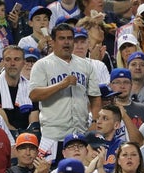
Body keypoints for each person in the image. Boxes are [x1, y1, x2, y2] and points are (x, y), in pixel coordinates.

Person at [29, 23, 101, 165]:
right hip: (53, 135)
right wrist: (62, 84)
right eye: (62, 38)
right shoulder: (42, 65)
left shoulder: (86, 65)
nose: (66, 42)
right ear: (53, 42)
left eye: (69, 38)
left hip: (80, 134)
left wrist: (94, 121)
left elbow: (95, 97)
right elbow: (34, 95)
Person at [0, 45, 39, 134]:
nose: (12, 63)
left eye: (17, 59)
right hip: (3, 134)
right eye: (8, 59)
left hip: (27, 136)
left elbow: (34, 122)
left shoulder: (31, 88)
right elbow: (3, 123)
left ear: (23, 62)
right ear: (2, 62)